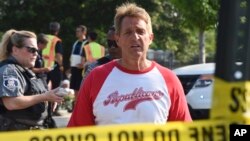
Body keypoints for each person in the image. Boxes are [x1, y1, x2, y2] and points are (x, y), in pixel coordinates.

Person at [67, 3, 192, 127]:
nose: (135, 37)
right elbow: (77, 130)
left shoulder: (169, 79)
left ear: (150, 38)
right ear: (118, 39)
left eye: (140, 31)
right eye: (128, 32)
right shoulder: (96, 77)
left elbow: (183, 132)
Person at [0, 29, 64, 131]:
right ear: (15, 50)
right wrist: (44, 96)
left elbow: (32, 93)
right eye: (31, 50)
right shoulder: (9, 70)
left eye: (37, 50)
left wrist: (50, 98)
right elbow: (11, 103)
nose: (36, 54)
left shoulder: (25, 70)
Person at [42, 22, 64, 116]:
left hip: (43, 67)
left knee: (43, 88)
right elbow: (58, 55)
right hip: (54, 67)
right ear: (57, 31)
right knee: (56, 88)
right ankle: (54, 109)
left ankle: (42, 108)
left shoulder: (44, 38)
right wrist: (61, 65)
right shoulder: (56, 40)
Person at [69, 25, 88, 104]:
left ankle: (80, 105)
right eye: (76, 31)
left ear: (84, 32)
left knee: (81, 88)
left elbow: (88, 56)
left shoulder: (87, 43)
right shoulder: (76, 42)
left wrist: (84, 64)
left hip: (82, 69)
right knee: (74, 88)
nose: (76, 33)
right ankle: (76, 105)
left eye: (78, 31)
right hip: (74, 67)